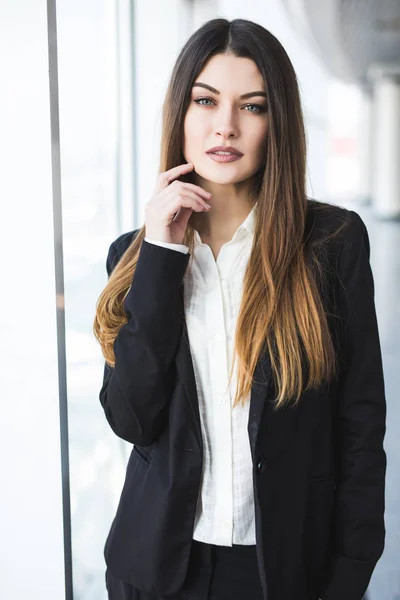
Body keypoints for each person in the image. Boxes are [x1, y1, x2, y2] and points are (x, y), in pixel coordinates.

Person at [93, 17, 386, 600]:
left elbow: (360, 427)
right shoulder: (135, 255)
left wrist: (350, 572)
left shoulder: (332, 244)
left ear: (277, 124)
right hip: (158, 570)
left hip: (280, 569)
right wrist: (161, 254)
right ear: (181, 112)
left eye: (251, 107)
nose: (224, 126)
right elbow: (132, 419)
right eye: (206, 100)